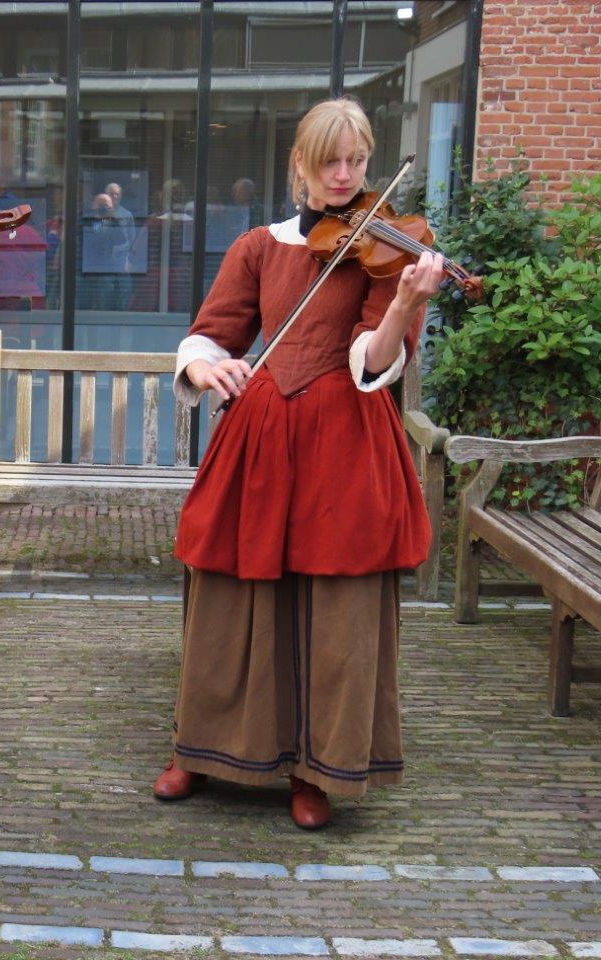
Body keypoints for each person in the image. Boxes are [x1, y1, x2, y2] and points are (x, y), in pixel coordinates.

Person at [152, 98, 443, 829]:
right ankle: (202, 747)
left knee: (334, 609)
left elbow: (374, 361)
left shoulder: (391, 251)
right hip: (259, 442)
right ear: (301, 167)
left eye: (356, 161)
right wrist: (206, 368)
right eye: (329, 162)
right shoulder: (260, 245)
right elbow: (208, 334)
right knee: (226, 594)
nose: (344, 176)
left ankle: (318, 767)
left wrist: (406, 305)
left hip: (345, 443)